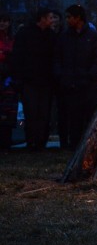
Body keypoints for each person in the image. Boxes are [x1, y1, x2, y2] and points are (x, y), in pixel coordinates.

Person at [54, 5, 97, 150]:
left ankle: (89, 146)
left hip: (88, 85)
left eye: (70, 17)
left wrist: (90, 76)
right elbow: (57, 58)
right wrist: (61, 76)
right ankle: (73, 145)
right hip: (70, 85)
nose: (67, 20)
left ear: (78, 18)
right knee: (73, 118)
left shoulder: (93, 37)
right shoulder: (64, 37)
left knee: (89, 117)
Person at [12, 9, 57, 150]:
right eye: (50, 17)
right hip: (30, 80)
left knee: (43, 113)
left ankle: (39, 141)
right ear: (42, 19)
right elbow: (18, 57)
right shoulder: (26, 34)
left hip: (45, 81)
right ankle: (32, 140)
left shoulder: (51, 36)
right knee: (31, 112)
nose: (53, 20)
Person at [0, 13, 16, 150]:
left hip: (8, 77)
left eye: (5, 21)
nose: (3, 24)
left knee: (7, 109)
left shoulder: (11, 38)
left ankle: (6, 141)